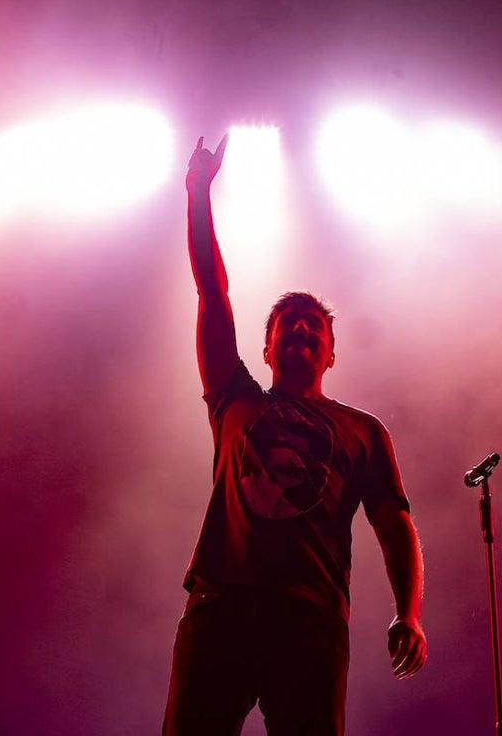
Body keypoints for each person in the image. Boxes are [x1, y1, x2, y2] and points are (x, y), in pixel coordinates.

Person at [162, 135, 427, 736]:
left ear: (331, 353)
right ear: (267, 346)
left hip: (310, 617)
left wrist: (407, 612)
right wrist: (198, 190)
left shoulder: (363, 431)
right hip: (221, 605)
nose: (301, 329)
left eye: (314, 325)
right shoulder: (235, 399)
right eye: (288, 322)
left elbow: (394, 523)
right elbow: (212, 292)